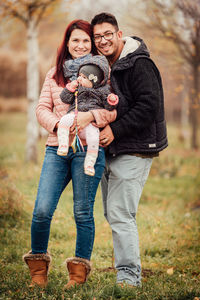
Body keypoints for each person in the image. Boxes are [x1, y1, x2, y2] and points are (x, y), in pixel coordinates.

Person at [23, 19, 116, 289]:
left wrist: (90, 117)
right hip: (57, 148)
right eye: (75, 40)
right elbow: (41, 109)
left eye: (86, 41)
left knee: (83, 212)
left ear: (92, 45)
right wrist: (56, 125)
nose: (80, 45)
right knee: (41, 210)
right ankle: (38, 272)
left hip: (88, 149)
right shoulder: (54, 74)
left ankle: (78, 275)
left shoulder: (102, 74)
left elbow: (113, 110)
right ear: (67, 43)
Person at [91, 12, 168, 287]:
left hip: (135, 147)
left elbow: (149, 106)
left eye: (107, 34)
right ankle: (125, 268)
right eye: (97, 36)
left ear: (119, 34)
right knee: (113, 212)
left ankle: (129, 277)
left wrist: (115, 130)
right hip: (113, 148)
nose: (102, 40)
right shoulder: (102, 64)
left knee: (121, 213)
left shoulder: (139, 64)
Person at [57, 54, 118, 176]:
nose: (79, 79)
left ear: (94, 81)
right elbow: (64, 98)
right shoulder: (77, 88)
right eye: (79, 75)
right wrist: (69, 88)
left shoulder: (103, 91)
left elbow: (109, 107)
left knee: (94, 138)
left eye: (84, 77)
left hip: (90, 124)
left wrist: (111, 100)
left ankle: (89, 163)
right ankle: (63, 144)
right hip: (74, 115)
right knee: (63, 121)